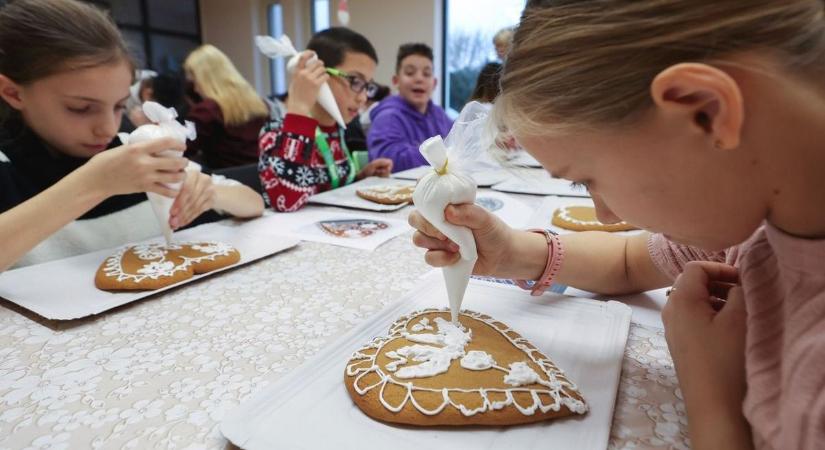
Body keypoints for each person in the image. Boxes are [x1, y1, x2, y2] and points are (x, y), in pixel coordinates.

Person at [409, 1, 825, 449]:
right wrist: (509, 251)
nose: (606, 215)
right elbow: (630, 260)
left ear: (703, 110)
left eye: (589, 180)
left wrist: (713, 397)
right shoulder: (756, 230)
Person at [0, 0, 263, 271]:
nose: (108, 128)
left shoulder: (132, 150)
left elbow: (252, 203)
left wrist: (211, 193)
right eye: (81, 108)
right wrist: (93, 185)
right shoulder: (8, 172)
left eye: (119, 106)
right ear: (13, 93)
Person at [258, 27, 393, 212]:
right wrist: (299, 109)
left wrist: (362, 177)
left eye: (367, 86)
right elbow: (286, 201)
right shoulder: (274, 133)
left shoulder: (334, 130)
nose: (362, 98)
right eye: (355, 81)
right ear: (318, 74)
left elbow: (326, 191)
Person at [367, 43, 453, 172]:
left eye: (426, 74)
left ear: (434, 83)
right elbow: (388, 160)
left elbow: (459, 142)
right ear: (396, 81)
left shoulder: (439, 114)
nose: (419, 79)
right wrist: (444, 153)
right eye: (410, 73)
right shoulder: (388, 116)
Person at [183, 44, 270, 169]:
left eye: (195, 81)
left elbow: (182, 150)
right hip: (263, 178)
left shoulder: (206, 111)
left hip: (228, 182)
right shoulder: (258, 104)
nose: (195, 89)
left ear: (205, 79)